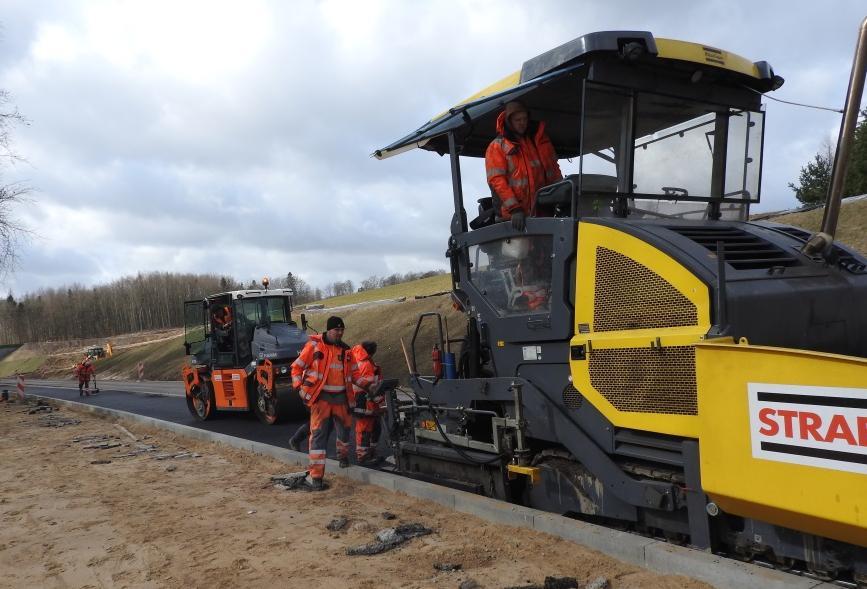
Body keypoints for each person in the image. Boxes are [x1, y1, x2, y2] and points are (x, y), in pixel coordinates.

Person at [290, 315, 354, 490]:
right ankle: (316, 477)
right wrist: (298, 387)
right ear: (329, 329)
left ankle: (343, 457)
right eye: (337, 330)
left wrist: (370, 386)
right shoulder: (314, 346)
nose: (340, 333)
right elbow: (296, 367)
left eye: (342, 330)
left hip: (341, 398)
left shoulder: (346, 351)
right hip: (321, 398)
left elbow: (354, 375)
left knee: (345, 432)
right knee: (318, 436)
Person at [484, 100, 562, 230]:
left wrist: (561, 197)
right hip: (513, 220)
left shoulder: (538, 143)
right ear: (509, 121)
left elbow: (553, 171)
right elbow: (497, 181)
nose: (522, 123)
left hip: (542, 215)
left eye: (524, 119)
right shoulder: (497, 146)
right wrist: (515, 209)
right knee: (518, 251)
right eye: (517, 120)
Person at [349, 341, 383, 465]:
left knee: (373, 427)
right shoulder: (366, 364)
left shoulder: (357, 360)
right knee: (365, 429)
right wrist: (379, 400)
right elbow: (371, 387)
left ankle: (369, 453)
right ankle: (363, 457)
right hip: (364, 402)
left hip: (359, 401)